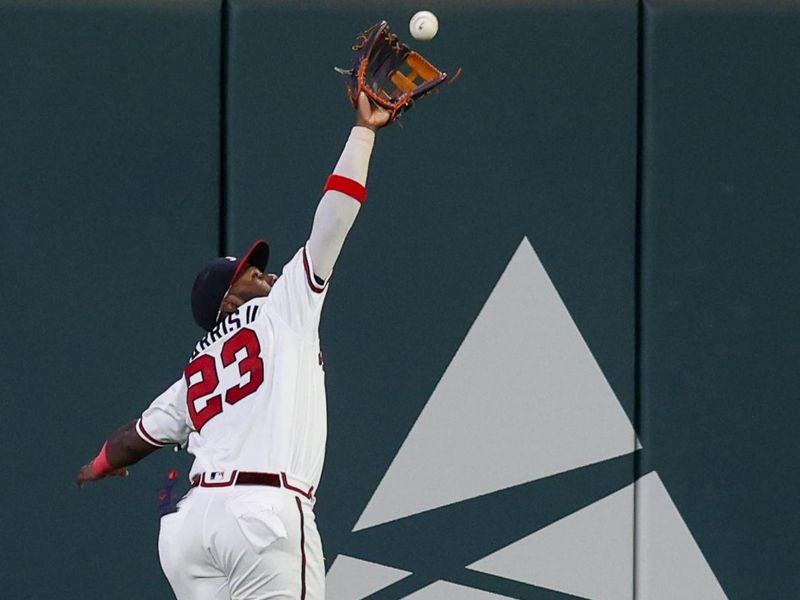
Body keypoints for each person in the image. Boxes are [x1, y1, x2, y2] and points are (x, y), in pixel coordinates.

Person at [75, 93, 391, 600]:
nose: (266, 273)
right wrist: (364, 132)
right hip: (260, 516)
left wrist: (95, 468)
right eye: (249, 274)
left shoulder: (196, 368)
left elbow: (134, 438)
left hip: (190, 531)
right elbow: (333, 217)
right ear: (226, 303)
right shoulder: (283, 306)